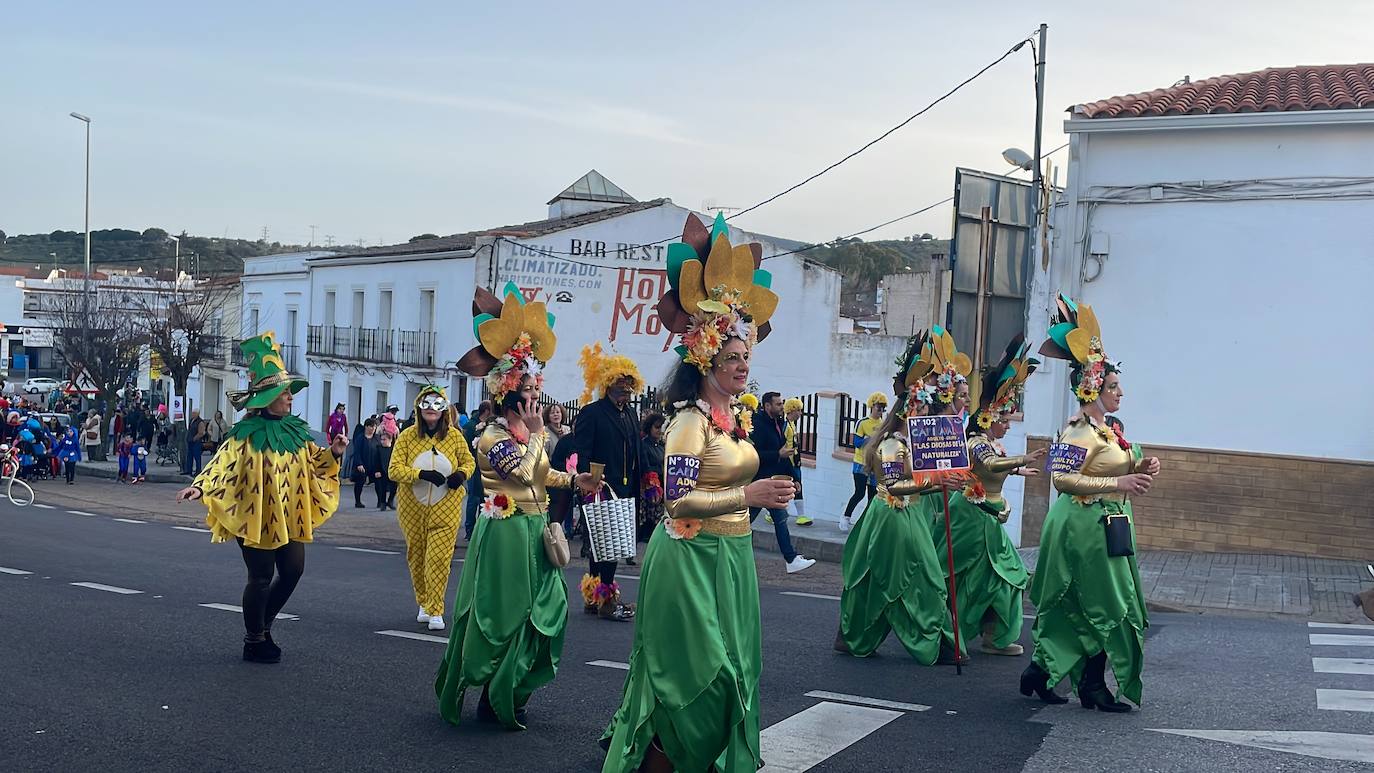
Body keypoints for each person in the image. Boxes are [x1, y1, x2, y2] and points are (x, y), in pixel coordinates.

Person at [601, 212, 792, 773]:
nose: (742, 365)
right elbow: (676, 501)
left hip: (730, 558)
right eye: (732, 356)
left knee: (734, 670)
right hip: (689, 559)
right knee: (696, 677)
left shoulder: (733, 418)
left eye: (746, 356)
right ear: (706, 358)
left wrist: (759, 489)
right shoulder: (689, 422)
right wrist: (750, 495)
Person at [438, 283, 593, 729]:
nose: (534, 399)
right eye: (526, 393)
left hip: (534, 530)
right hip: (505, 532)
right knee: (506, 614)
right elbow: (521, 474)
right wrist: (541, 434)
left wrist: (574, 480)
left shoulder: (528, 436)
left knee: (549, 610)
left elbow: (541, 475)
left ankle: (514, 684)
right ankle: (493, 690)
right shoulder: (492, 436)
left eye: (535, 390)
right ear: (509, 396)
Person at [1021, 294, 1160, 711]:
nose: (1121, 394)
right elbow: (1062, 479)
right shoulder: (1080, 430)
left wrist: (1142, 463)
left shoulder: (1106, 431)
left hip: (1107, 525)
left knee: (1092, 604)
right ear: (1095, 387)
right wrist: (1121, 480)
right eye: (1114, 386)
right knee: (1102, 603)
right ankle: (1085, 684)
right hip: (1083, 527)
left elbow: (1111, 466)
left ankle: (1051, 675)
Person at [175, 332, 348, 664]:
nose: (290, 399)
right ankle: (254, 639)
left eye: (289, 394)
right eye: (284, 394)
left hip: (290, 516)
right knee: (261, 577)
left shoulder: (297, 432)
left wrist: (334, 453)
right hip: (254, 516)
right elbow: (222, 463)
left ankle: (262, 623)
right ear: (268, 397)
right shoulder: (243, 436)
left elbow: (315, 464)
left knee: (294, 570)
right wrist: (201, 487)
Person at [836, 330, 966, 666]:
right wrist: (934, 482)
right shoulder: (893, 445)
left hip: (908, 514)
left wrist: (942, 483)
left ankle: (937, 639)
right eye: (921, 405)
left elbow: (921, 481)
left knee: (924, 576)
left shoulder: (913, 443)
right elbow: (895, 487)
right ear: (909, 409)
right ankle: (933, 641)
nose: (926, 411)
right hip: (891, 516)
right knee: (919, 576)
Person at [936, 335, 1045, 657]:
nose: (1009, 426)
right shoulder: (976, 442)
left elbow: (992, 468)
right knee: (970, 577)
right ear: (991, 419)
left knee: (998, 578)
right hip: (971, 516)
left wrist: (1017, 471)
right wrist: (1021, 461)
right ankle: (948, 630)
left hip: (986, 514)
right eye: (1006, 420)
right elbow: (988, 463)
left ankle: (992, 634)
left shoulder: (989, 441)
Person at [387, 386, 475, 631]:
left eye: (437, 405)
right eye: (426, 404)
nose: (431, 410)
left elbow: (469, 461)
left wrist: (461, 473)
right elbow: (393, 469)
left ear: (444, 410)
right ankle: (424, 602)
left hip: (446, 507)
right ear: (418, 408)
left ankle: (436, 609)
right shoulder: (406, 437)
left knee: (438, 559)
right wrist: (420, 474)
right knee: (417, 555)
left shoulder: (455, 437)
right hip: (412, 509)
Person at [569, 341, 646, 621]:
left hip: (625, 487)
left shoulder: (630, 413)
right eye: (620, 383)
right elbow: (583, 452)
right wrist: (587, 483)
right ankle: (606, 600)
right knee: (605, 545)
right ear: (607, 384)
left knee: (607, 544)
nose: (626, 388)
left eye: (629, 383)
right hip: (602, 486)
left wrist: (646, 476)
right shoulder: (592, 413)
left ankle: (595, 597)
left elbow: (637, 448)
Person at [749, 391, 816, 573]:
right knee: (751, 519)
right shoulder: (757, 424)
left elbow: (785, 453)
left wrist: (794, 478)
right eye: (778, 404)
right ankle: (790, 558)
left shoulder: (779, 423)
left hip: (773, 480)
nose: (781, 407)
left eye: (781, 403)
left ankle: (791, 558)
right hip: (760, 480)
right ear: (767, 406)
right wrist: (777, 454)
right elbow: (755, 455)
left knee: (776, 518)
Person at [840, 392, 886, 531]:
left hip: (875, 464)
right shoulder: (862, 423)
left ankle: (866, 523)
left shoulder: (883, 423)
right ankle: (846, 517)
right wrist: (869, 440)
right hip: (861, 463)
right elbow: (856, 442)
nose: (880, 411)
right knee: (859, 493)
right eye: (878, 407)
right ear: (872, 406)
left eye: (883, 408)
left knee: (873, 496)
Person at [461, 400, 494, 540]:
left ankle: (481, 528)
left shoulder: (489, 426)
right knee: (473, 498)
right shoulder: (470, 426)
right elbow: (466, 447)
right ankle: (469, 530)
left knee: (484, 498)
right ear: (486, 411)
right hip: (474, 466)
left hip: (486, 467)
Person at [542, 402, 574, 543]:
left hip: (569, 473)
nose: (556, 415)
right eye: (552, 412)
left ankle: (568, 529)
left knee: (569, 503)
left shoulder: (567, 430)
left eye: (558, 412)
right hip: (552, 473)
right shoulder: (545, 432)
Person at [781, 397, 811, 526]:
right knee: (795, 487)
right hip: (788, 462)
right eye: (798, 410)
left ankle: (775, 513)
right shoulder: (785, 425)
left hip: (795, 461)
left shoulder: (792, 424)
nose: (800, 413)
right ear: (791, 410)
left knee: (793, 487)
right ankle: (801, 515)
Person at [637, 412, 665, 542]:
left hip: (661, 483)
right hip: (649, 484)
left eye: (661, 427)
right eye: (657, 427)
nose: (659, 431)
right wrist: (653, 485)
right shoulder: (644, 444)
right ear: (650, 427)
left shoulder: (662, 446)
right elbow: (645, 465)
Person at [350, 418, 380, 508]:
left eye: (375, 427)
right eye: (371, 426)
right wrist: (359, 464)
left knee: (379, 482)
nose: (373, 429)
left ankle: (381, 501)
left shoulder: (377, 438)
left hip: (374, 465)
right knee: (360, 482)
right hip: (362, 464)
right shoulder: (360, 438)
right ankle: (358, 501)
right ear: (366, 427)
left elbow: (380, 451)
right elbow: (357, 452)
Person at [375, 431, 395, 510]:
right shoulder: (379, 449)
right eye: (381, 440)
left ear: (390, 440)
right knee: (382, 489)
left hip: (392, 471)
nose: (382, 441)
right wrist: (377, 470)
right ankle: (383, 503)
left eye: (384, 440)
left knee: (394, 488)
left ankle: (390, 501)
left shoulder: (394, 449)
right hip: (382, 471)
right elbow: (376, 460)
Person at [185, 409, 207, 476]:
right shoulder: (192, 420)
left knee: (197, 457)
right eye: (192, 413)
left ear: (198, 414)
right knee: (189, 456)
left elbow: (201, 432)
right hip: (190, 441)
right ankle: (189, 470)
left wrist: (195, 438)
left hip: (196, 442)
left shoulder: (200, 422)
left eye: (194, 413)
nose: (193, 414)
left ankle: (198, 470)